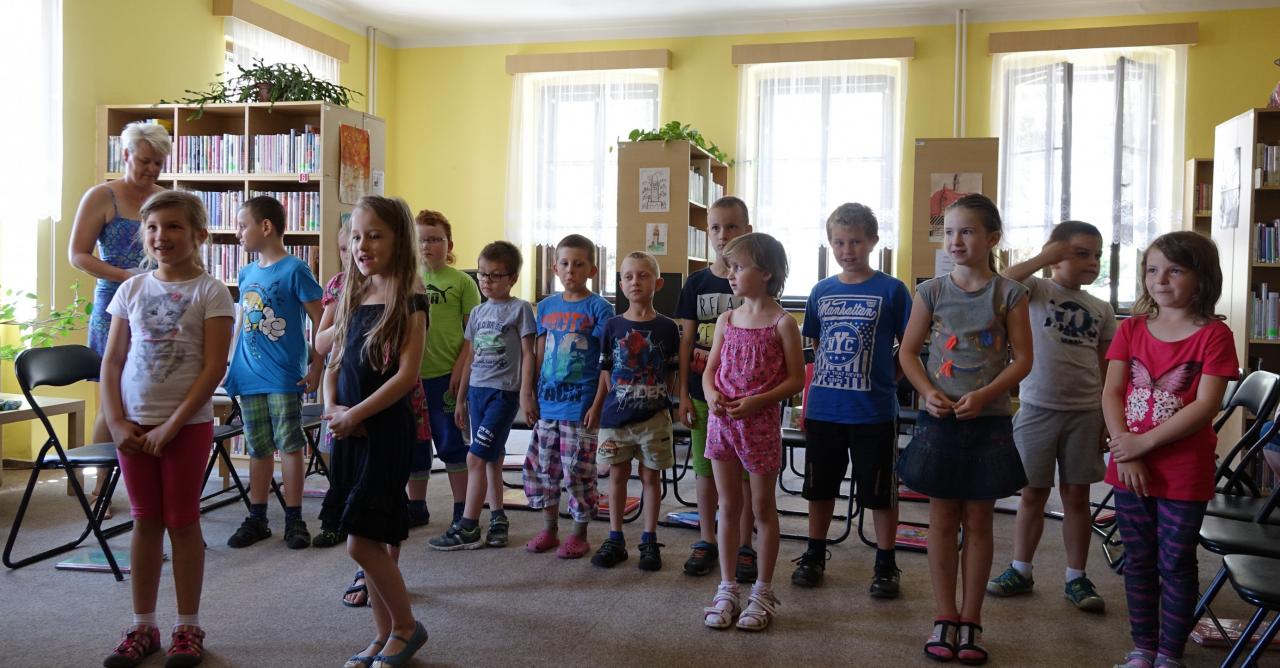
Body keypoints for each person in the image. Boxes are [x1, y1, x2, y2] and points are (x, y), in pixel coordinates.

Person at [99, 190, 234, 668]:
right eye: (153, 227)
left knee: (181, 520)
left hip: (186, 427)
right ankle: (143, 626)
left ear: (199, 235)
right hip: (133, 427)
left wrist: (173, 426)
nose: (162, 236)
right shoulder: (131, 289)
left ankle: (187, 625)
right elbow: (112, 361)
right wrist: (116, 421)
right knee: (144, 521)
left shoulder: (210, 292)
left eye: (174, 226)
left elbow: (214, 367)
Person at [897, 193, 1033, 664]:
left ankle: (971, 618)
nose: (956, 240)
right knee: (941, 519)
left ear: (992, 238)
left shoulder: (1010, 293)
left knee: (978, 521)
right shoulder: (931, 291)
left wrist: (987, 394)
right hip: (939, 421)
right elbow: (908, 352)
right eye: (950, 231)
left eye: (967, 231)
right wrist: (926, 392)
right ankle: (944, 615)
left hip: (988, 422)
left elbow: (1023, 359)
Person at [1104, 231, 1238, 668]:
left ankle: (1169, 654)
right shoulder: (1130, 328)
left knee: (1176, 562)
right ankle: (1144, 647)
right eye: (1152, 270)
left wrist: (1142, 443)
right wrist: (1127, 451)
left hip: (1184, 470)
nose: (1160, 280)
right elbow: (1112, 393)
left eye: (1174, 270)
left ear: (1202, 278)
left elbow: (1206, 405)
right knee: (1138, 560)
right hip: (1129, 466)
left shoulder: (1215, 335)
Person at [320, 196, 430, 668]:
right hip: (349, 430)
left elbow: (406, 376)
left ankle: (406, 627)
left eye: (375, 235)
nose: (363, 246)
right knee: (368, 537)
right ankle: (384, 635)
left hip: (384, 431)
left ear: (399, 240)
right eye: (357, 237)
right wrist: (333, 407)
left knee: (362, 540)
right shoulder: (353, 292)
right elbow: (332, 360)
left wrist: (357, 414)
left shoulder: (410, 297)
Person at [987, 221, 1117, 612]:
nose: (1092, 261)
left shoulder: (1102, 308)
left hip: (1085, 413)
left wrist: (1106, 418)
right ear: (1056, 255)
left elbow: (1106, 367)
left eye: (1097, 255)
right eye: (1082, 253)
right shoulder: (1037, 291)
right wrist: (1045, 257)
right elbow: (1002, 282)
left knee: (1077, 496)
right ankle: (1021, 569)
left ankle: (1076, 576)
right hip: (1037, 410)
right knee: (1032, 493)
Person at [790, 204, 910, 597]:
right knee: (819, 488)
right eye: (839, 242)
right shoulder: (821, 291)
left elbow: (910, 347)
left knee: (880, 492)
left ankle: (886, 562)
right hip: (825, 410)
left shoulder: (892, 290)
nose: (847, 250)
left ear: (873, 241)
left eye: (856, 241)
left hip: (874, 412)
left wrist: (889, 380)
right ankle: (814, 553)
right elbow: (817, 346)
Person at [700, 233, 805, 632]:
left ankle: (762, 590)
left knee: (762, 508)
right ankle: (727, 587)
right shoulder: (726, 319)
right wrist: (711, 394)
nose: (730, 274)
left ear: (766, 274)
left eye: (739, 267)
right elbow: (710, 370)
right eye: (729, 266)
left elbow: (796, 379)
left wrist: (758, 401)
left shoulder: (783, 323)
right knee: (728, 505)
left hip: (759, 426)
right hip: (722, 423)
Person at [70, 120, 170, 517]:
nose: (151, 169)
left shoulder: (163, 198)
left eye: (158, 163)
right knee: (110, 397)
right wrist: (125, 276)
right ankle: (100, 489)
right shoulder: (102, 196)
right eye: (145, 161)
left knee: (150, 393)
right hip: (114, 304)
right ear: (126, 155)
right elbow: (78, 255)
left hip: (157, 306)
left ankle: (149, 482)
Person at [223, 196, 324, 550]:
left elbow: (322, 320)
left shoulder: (296, 269)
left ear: (265, 227)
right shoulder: (246, 273)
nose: (237, 233)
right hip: (248, 376)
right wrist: (230, 364)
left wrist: (317, 366)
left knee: (290, 445)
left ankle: (294, 518)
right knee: (258, 447)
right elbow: (241, 323)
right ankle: (258, 517)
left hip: (283, 376)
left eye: (242, 225)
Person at [428, 241, 536, 550]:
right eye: (482, 274)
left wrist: (526, 392)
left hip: (503, 394)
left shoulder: (520, 309)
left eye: (495, 275)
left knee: (475, 456)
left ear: (512, 278)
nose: (486, 281)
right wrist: (461, 399)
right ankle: (498, 518)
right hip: (476, 391)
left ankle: (468, 527)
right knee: (492, 456)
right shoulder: (477, 313)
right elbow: (470, 359)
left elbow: (528, 354)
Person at [674, 196, 759, 580]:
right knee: (705, 470)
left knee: (744, 474)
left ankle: (744, 543)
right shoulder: (696, 283)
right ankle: (707, 538)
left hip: (745, 398)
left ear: (747, 231)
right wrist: (682, 394)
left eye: (732, 226)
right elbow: (686, 341)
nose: (723, 235)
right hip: (702, 394)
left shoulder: (754, 279)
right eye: (715, 227)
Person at [585, 251, 680, 570]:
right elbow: (606, 372)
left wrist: (666, 401)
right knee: (617, 475)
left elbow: (671, 371)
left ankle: (649, 539)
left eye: (643, 275)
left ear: (658, 283)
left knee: (651, 476)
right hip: (616, 419)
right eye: (628, 276)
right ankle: (615, 538)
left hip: (655, 418)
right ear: (621, 284)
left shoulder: (668, 327)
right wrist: (601, 405)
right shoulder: (612, 325)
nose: (635, 282)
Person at [524, 233, 614, 559]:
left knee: (578, 471)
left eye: (578, 264)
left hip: (580, 405)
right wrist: (528, 393)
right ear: (554, 268)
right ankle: (549, 528)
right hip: (547, 403)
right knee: (543, 468)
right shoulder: (547, 306)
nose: (570, 270)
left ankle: (579, 533)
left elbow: (606, 362)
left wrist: (598, 404)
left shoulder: (600, 308)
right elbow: (537, 353)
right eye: (564, 263)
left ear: (592, 270)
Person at [412, 209, 481, 529]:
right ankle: (416, 506)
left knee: (451, 443)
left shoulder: (462, 282)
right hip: (411, 379)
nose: (427, 246)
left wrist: (459, 370)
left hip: (447, 378)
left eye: (435, 239)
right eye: (420, 240)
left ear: (449, 244)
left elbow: (472, 335)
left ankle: (460, 508)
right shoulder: (406, 279)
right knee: (414, 445)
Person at [311, 216, 353, 550]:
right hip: (340, 378)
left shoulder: (392, 285)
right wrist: (346, 323)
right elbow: (321, 343)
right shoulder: (338, 285)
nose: (349, 255)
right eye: (343, 249)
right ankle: (335, 519)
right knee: (338, 456)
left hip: (373, 380)